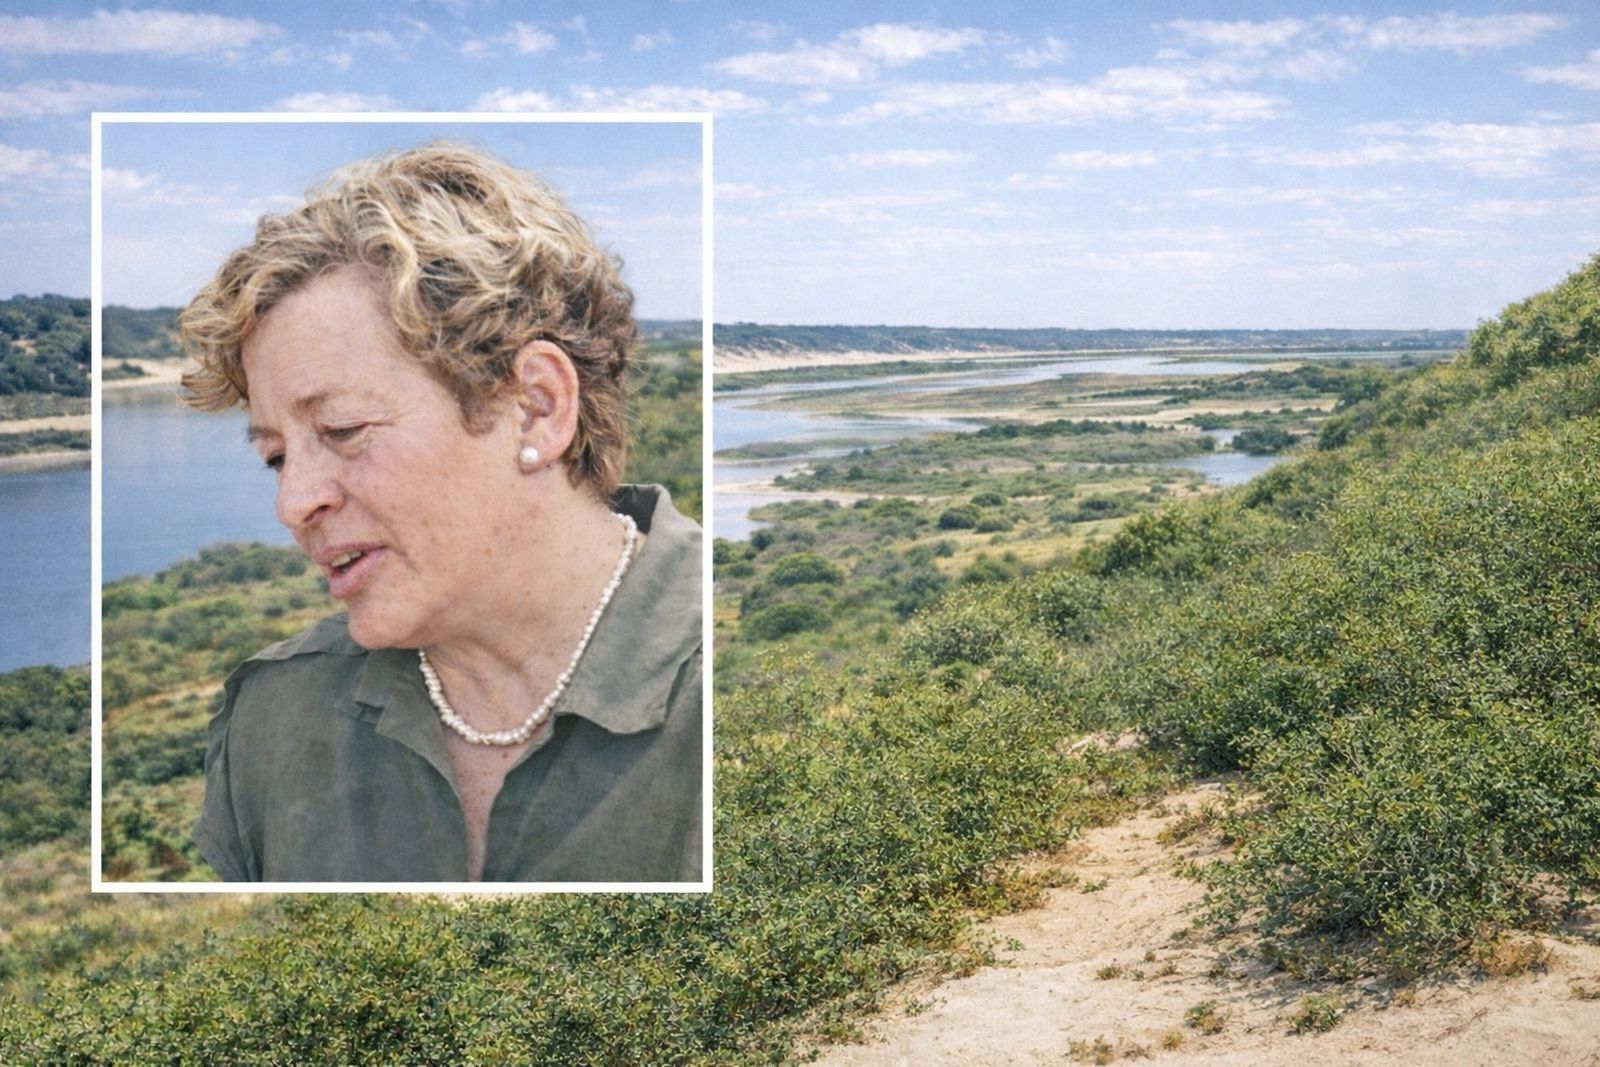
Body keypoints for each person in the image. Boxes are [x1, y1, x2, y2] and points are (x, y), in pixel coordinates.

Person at [178, 143, 702, 883]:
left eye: (344, 430)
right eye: (275, 455)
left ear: (536, 409)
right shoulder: (275, 719)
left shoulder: (748, 699)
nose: (294, 503)